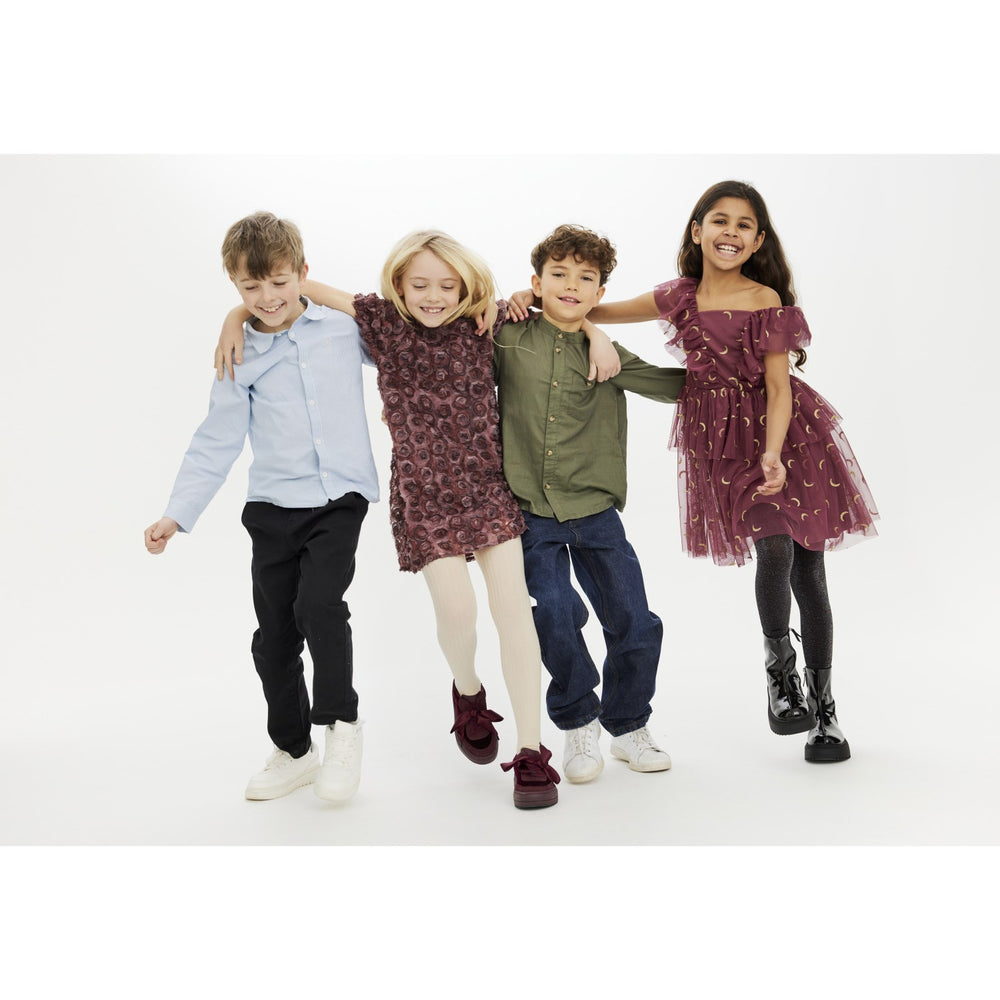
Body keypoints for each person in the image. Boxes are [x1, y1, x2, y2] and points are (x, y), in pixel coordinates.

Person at [215, 231, 618, 808]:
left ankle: (532, 751)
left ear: (467, 287)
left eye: (448, 286)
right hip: (425, 494)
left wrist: (595, 332)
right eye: (420, 285)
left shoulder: (486, 324)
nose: (434, 297)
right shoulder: (382, 324)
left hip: (489, 485)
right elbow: (298, 290)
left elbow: (561, 319)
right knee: (458, 612)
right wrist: (235, 315)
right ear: (398, 286)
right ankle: (468, 692)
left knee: (513, 610)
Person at [586, 181, 879, 762]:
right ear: (697, 231)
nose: (731, 233)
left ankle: (824, 712)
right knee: (774, 548)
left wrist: (774, 453)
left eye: (745, 225)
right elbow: (588, 309)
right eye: (720, 221)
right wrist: (536, 298)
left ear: (758, 240)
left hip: (788, 439)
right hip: (724, 447)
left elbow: (778, 386)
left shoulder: (764, 296)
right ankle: (780, 675)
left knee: (808, 572)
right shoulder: (678, 296)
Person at [144, 211, 379, 803]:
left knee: (320, 606)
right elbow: (217, 438)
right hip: (272, 508)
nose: (267, 298)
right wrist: (177, 512)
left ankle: (342, 725)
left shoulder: (342, 329)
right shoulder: (238, 352)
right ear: (234, 285)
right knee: (273, 638)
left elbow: (406, 340)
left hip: (339, 500)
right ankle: (295, 751)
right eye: (250, 288)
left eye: (279, 281)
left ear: (302, 272)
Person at [495, 224, 686, 784]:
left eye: (585, 279)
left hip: (596, 511)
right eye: (558, 275)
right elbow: (460, 362)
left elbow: (671, 387)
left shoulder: (606, 351)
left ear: (600, 293)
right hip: (530, 511)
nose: (571, 286)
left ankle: (627, 727)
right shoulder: (507, 337)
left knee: (635, 620)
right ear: (536, 282)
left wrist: (747, 373)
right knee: (553, 612)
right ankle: (579, 721)